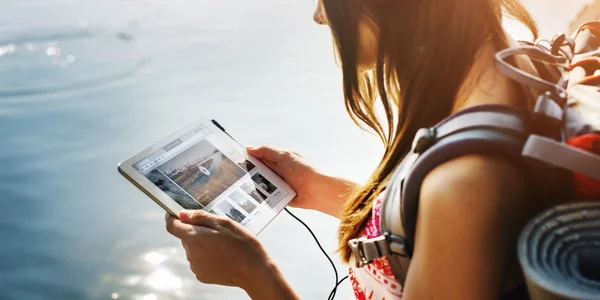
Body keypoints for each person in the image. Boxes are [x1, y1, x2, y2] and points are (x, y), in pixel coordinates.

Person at [165, 0, 561, 299]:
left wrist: (256, 276)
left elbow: (458, 209)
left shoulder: (465, 183)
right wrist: (319, 188)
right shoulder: (517, 66)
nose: (320, 17)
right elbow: (430, 233)